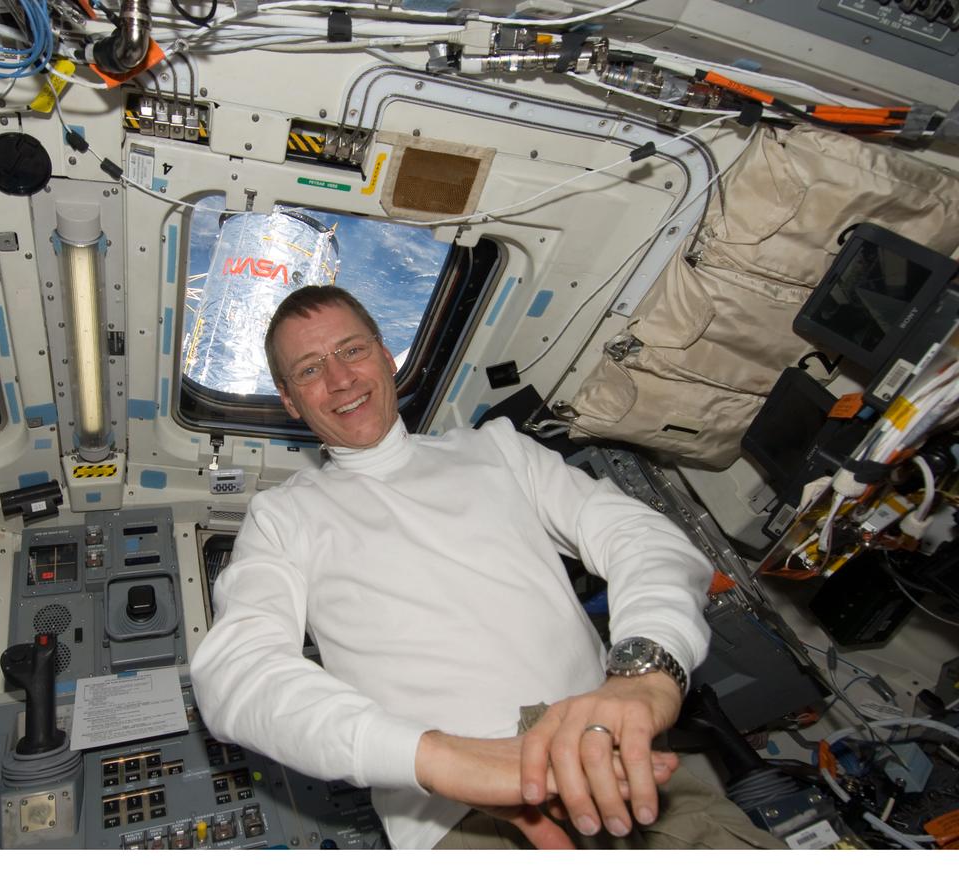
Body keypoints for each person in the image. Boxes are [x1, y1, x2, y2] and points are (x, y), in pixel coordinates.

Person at [190, 285, 771, 850]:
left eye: (351, 350)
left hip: (611, 761)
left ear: (387, 356)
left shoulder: (498, 449)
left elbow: (642, 537)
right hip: (457, 816)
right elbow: (235, 674)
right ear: (291, 401)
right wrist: (437, 757)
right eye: (311, 370)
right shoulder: (282, 516)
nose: (340, 379)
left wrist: (645, 671)